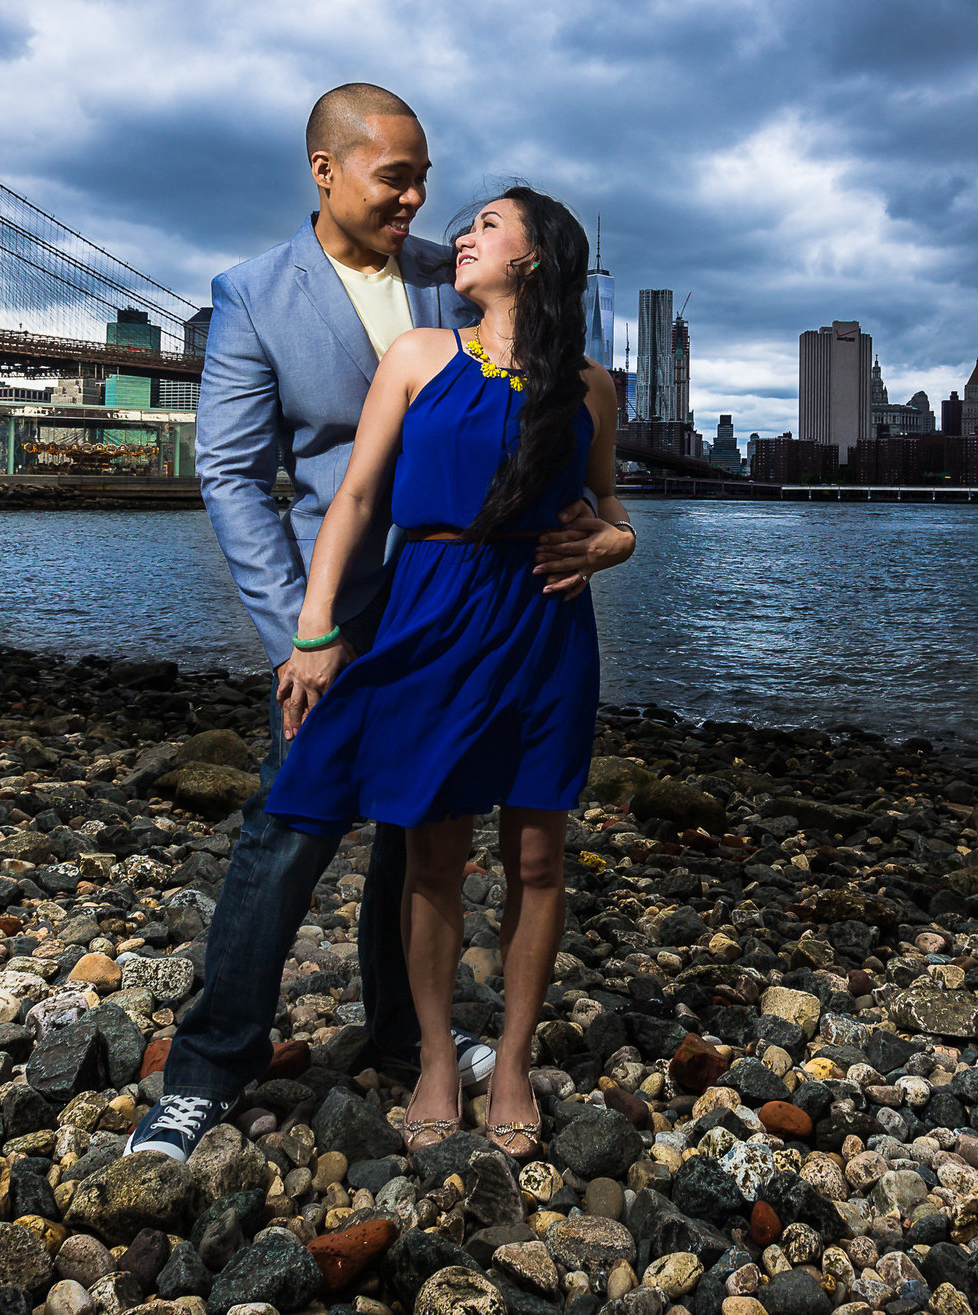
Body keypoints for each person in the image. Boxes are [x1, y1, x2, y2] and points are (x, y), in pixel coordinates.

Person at [130, 89, 628, 1160]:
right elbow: (233, 474)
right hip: (335, 605)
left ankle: (412, 1037)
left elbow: (562, 445)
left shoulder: (445, 280)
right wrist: (300, 633)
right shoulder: (253, 295)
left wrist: (604, 535)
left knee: (420, 835)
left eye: (427, 179)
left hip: (469, 614)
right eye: (395, 178)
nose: (420, 201)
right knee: (290, 830)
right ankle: (209, 1064)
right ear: (325, 170)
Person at [266, 185, 634, 1158]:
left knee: (539, 857)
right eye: (467, 224)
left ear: (538, 257)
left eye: (486, 225)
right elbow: (352, 500)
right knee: (430, 853)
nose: (462, 238)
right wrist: (314, 630)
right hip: (432, 607)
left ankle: (508, 1058)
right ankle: (434, 1052)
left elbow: (612, 512)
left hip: (547, 621)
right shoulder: (420, 356)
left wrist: (612, 545)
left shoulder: (592, 386)